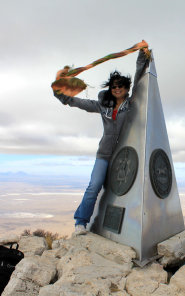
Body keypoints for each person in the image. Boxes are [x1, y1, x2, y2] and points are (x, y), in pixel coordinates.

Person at [53, 49, 149, 235]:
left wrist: (142, 56)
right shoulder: (103, 106)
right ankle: (80, 223)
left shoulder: (131, 104)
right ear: (110, 89)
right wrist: (60, 94)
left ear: (126, 88)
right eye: (114, 86)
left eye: (121, 86)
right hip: (104, 155)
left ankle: (124, 230)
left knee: (122, 192)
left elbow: (139, 80)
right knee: (94, 186)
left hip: (124, 157)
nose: (117, 88)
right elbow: (77, 102)